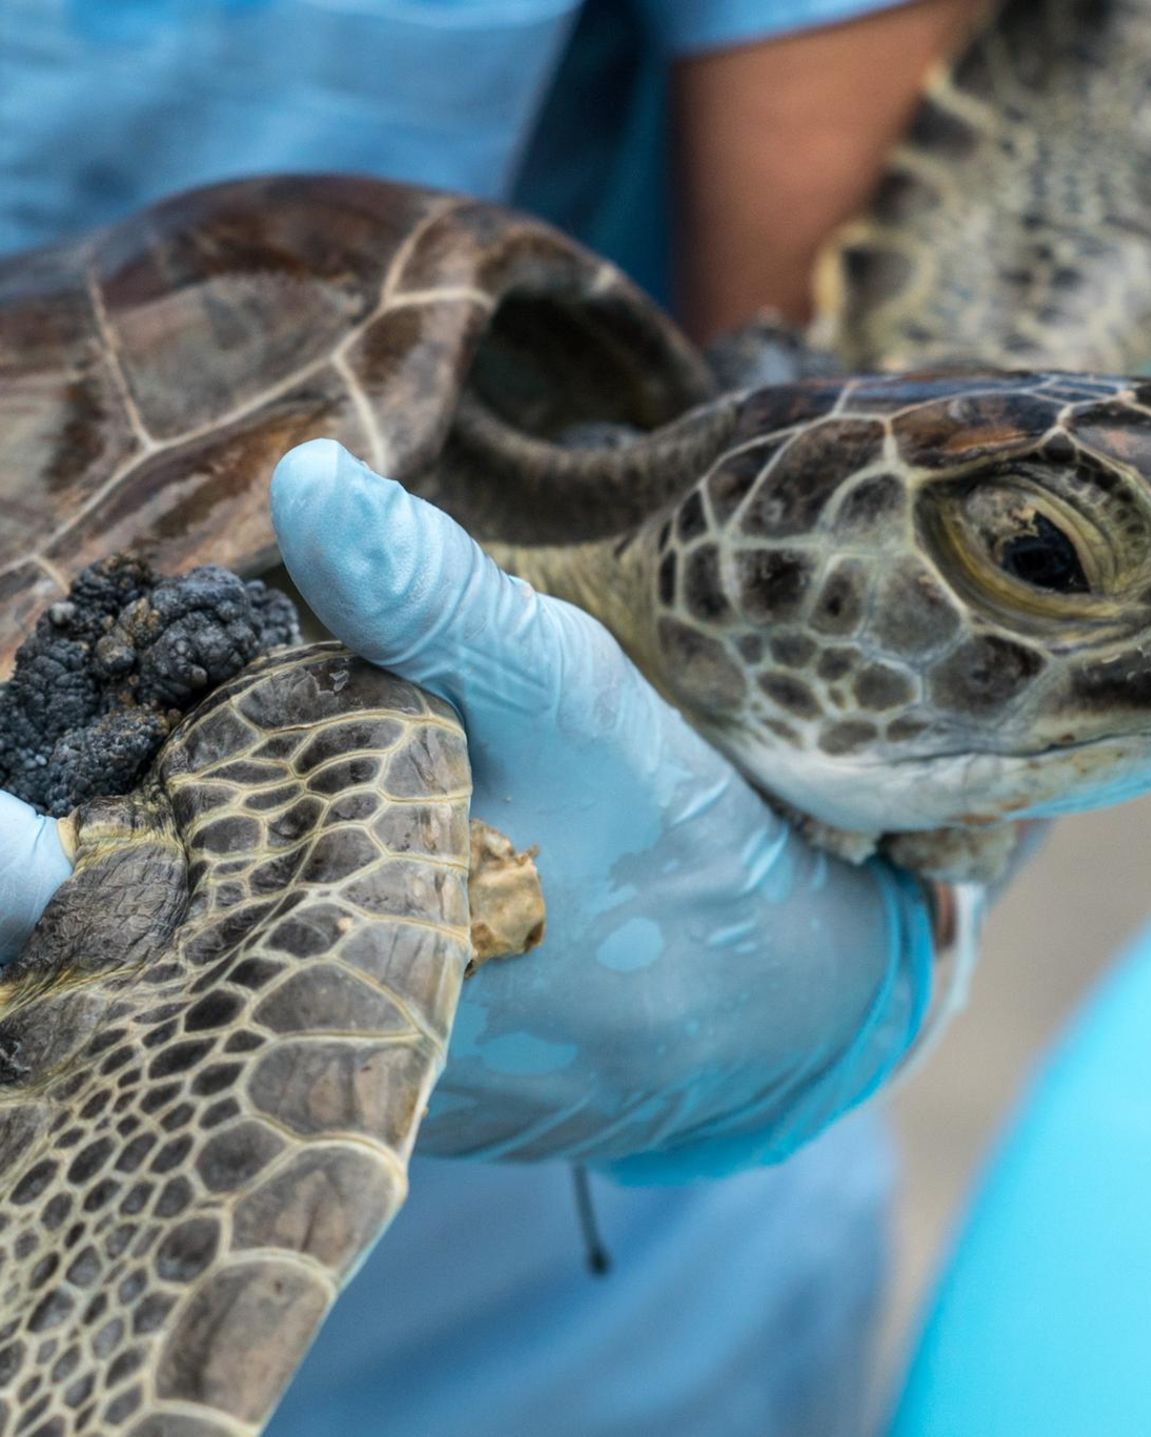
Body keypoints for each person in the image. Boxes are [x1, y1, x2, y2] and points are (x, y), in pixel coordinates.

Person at [0, 3, 993, 1432]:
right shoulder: (350, 732)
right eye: (1031, 567)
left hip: (562, 1330)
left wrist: (909, 931)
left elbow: (898, 363)